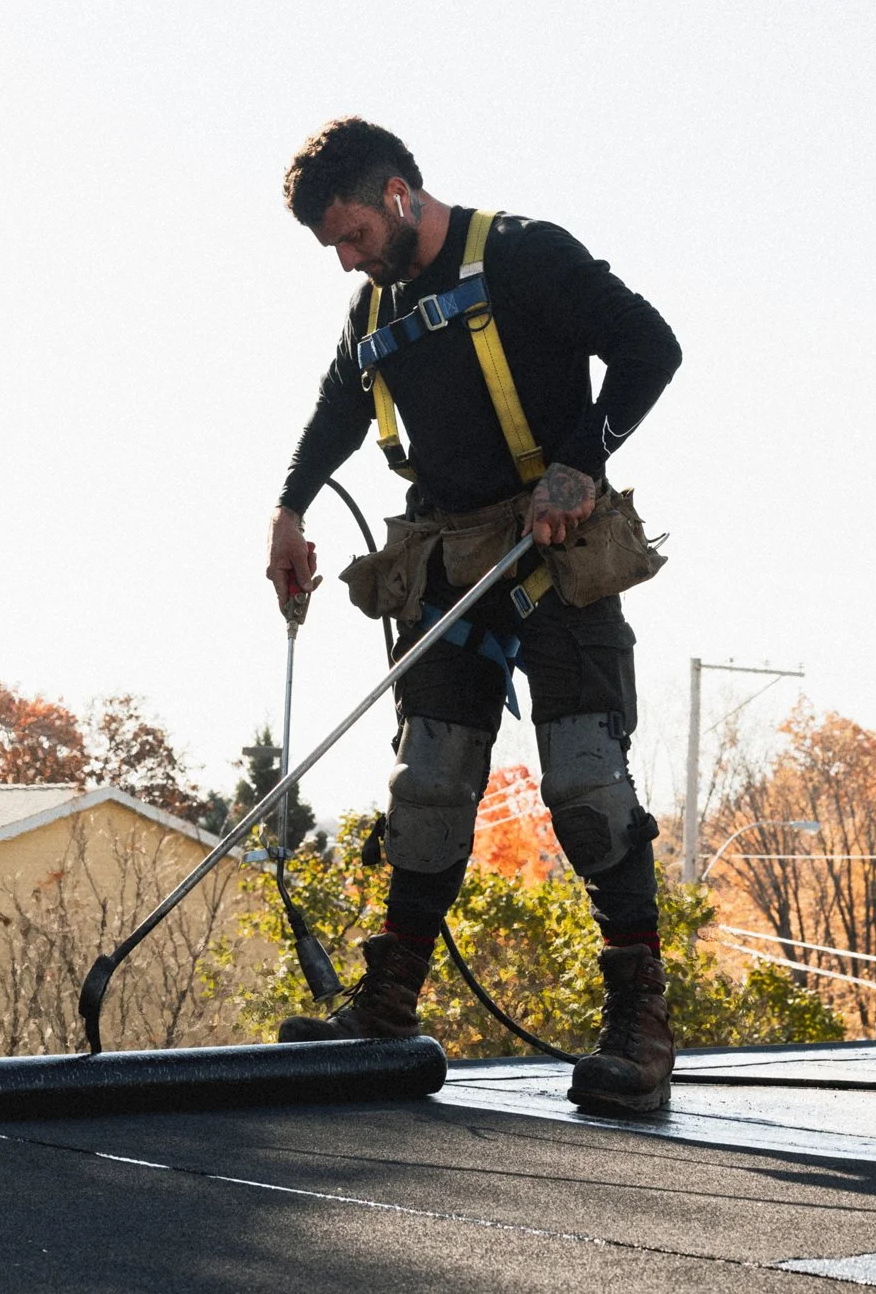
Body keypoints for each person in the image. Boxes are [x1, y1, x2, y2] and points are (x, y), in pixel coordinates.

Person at [264, 117, 683, 1115]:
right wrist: (289, 506)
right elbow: (337, 401)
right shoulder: (372, 307)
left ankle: (638, 1020)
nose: (346, 258)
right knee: (430, 783)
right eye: (332, 244)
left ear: (400, 194)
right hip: (448, 560)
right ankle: (388, 1002)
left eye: (353, 233)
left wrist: (580, 464)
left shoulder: (524, 255)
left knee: (584, 780)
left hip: (555, 551)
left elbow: (647, 346)